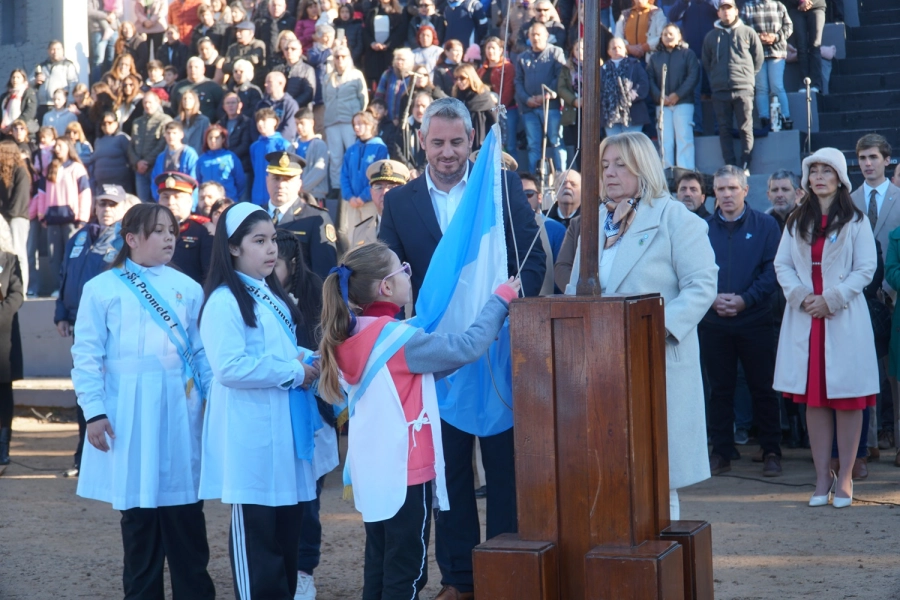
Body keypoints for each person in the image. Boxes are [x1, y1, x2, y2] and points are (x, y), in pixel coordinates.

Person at [379, 97, 546, 600]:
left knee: (503, 470)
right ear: (422, 143)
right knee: (446, 475)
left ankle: (504, 571)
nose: (447, 153)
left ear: (472, 139)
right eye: (437, 143)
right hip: (437, 361)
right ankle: (459, 579)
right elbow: (389, 273)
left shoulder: (499, 185)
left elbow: (531, 259)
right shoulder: (401, 202)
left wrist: (513, 313)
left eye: (456, 142)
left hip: (499, 353)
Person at [315, 241, 519, 600]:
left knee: (379, 564)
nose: (410, 275)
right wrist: (500, 300)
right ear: (387, 287)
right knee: (408, 572)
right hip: (407, 472)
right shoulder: (397, 338)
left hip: (373, 471)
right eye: (403, 270)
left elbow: (417, 372)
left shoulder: (352, 334)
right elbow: (467, 346)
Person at [558, 131, 717, 520]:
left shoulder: (676, 217)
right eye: (605, 165)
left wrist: (655, 328)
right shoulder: (594, 222)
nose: (609, 173)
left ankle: (660, 562)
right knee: (606, 469)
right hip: (598, 364)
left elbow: (702, 285)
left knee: (659, 474)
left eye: (620, 165)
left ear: (643, 167)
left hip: (654, 360)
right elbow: (576, 286)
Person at [71, 202, 216, 599]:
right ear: (131, 239)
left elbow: (202, 353)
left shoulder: (188, 288)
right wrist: (94, 412)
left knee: (186, 520)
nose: (169, 237)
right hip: (129, 413)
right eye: (158, 231)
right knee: (139, 528)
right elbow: (87, 355)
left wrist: (213, 404)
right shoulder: (101, 288)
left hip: (180, 411)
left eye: (172, 229)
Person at [197, 202, 320, 600]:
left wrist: (303, 360)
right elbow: (229, 367)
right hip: (249, 440)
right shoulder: (224, 301)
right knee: (258, 547)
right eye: (259, 241)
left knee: (285, 541)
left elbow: (278, 350)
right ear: (233, 247)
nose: (271, 250)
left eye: (273, 240)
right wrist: (293, 371)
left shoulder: (268, 293)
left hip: (281, 435)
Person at [774, 147, 878, 508]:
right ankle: (822, 478)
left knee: (847, 400)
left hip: (842, 317)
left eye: (826, 171)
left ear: (839, 178)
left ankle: (846, 476)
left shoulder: (857, 221)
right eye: (813, 170)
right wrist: (803, 297)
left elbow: (866, 269)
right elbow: (782, 265)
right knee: (814, 401)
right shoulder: (794, 221)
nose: (818, 176)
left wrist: (831, 298)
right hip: (806, 318)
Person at [702, 165, 784, 477]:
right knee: (719, 388)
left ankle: (771, 449)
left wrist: (744, 299)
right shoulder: (702, 229)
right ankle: (722, 451)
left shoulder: (766, 226)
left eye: (732, 188)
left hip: (755, 319)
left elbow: (772, 271)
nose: (726, 194)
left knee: (762, 387)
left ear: (745, 191)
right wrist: (712, 299)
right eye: (720, 189)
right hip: (714, 321)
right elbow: (693, 270)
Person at [55, 184, 135, 478]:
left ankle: (109, 452)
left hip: (113, 325)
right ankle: (82, 454)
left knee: (106, 389)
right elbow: (65, 275)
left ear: (124, 207)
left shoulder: (127, 240)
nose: (106, 209)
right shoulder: (79, 236)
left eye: (113, 204)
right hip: (81, 323)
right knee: (85, 388)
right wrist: (61, 313)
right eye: (102, 203)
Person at [702, 0, 763, 174]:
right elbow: (707, 63)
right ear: (718, 13)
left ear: (736, 11)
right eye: (722, 9)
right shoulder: (711, 37)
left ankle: (745, 165)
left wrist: (747, 76)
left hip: (743, 88)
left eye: (729, 8)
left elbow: (757, 59)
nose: (726, 12)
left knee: (746, 128)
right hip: (720, 90)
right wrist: (716, 79)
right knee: (724, 129)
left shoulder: (748, 32)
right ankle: (730, 166)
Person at [31, 138, 93, 296]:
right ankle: (60, 287)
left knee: (73, 254)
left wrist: (82, 217)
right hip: (52, 219)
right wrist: (41, 214)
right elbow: (42, 193)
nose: (56, 149)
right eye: (55, 146)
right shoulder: (49, 169)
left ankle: (73, 288)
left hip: (72, 220)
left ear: (68, 148)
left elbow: (84, 193)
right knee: (54, 256)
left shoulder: (77, 168)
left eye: (60, 146)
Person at [265, 150, 337, 279]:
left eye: (287, 180)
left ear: (299, 184)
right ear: (267, 181)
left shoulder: (316, 218)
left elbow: (325, 274)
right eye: (276, 178)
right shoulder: (255, 215)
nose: (281, 185)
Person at [515, 23, 566, 174]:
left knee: (556, 141)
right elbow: (518, 81)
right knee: (533, 145)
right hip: (529, 108)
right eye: (532, 35)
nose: (535, 37)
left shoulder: (556, 52)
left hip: (551, 106)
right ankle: (535, 180)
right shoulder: (522, 57)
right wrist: (526, 99)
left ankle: (562, 176)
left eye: (538, 34)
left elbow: (561, 76)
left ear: (546, 36)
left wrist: (546, 95)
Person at [647, 24, 699, 170]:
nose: (668, 37)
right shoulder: (655, 57)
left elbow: (693, 76)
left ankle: (686, 171)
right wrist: (660, 97)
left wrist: (678, 95)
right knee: (665, 140)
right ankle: (666, 173)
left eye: (671, 34)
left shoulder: (688, 54)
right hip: (662, 105)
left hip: (683, 103)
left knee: (684, 138)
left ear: (679, 36)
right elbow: (649, 79)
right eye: (665, 34)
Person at [339, 110, 389, 250]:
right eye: (354, 124)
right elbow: (344, 175)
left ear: (371, 125)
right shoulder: (351, 150)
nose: (356, 127)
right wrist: (350, 197)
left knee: (370, 238)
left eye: (360, 123)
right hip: (352, 203)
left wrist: (363, 197)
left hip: (370, 202)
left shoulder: (380, 148)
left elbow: (380, 177)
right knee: (353, 238)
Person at [741, 0, 794, 130]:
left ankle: (786, 117)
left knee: (776, 86)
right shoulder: (748, 7)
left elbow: (788, 27)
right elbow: (741, 29)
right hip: (756, 54)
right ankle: (764, 119)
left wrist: (775, 37)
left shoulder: (779, 5)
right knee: (761, 88)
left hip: (776, 52)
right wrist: (757, 38)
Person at [850, 134, 900, 266]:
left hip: (894, 283)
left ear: (887, 160)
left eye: (873, 157)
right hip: (859, 283)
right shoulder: (849, 202)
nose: (867, 163)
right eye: (862, 158)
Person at [155, 172, 213, 284]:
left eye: (177, 197)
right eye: (165, 197)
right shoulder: (150, 230)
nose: (171, 203)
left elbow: (209, 273)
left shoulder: (203, 230)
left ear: (190, 201)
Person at [0, 217, 22, 467]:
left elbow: (17, 294)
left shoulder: (9, 260)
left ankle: (3, 446)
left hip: (2, 338)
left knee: (3, 393)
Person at [519, 171, 562, 295]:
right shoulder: (505, 228)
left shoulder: (555, 229)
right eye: (518, 194)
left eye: (528, 194)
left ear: (539, 197)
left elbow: (561, 274)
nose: (523, 199)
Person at [350, 159, 410, 248]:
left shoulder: (416, 227)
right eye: (378, 186)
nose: (384, 192)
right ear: (371, 192)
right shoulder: (360, 231)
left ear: (405, 191)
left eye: (392, 186)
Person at [128, 91, 173, 201]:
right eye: (145, 103)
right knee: (143, 202)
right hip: (139, 169)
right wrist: (137, 162)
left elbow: (162, 144)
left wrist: (147, 161)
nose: (147, 105)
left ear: (158, 102)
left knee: (158, 199)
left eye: (150, 102)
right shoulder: (137, 122)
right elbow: (131, 145)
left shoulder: (165, 120)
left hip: (155, 167)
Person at [601, 37, 651, 137]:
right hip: (610, 116)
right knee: (615, 148)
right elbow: (598, 90)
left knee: (632, 147)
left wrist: (629, 97)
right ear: (608, 52)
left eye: (620, 47)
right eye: (613, 48)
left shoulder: (635, 65)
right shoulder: (602, 69)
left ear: (625, 50)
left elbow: (643, 84)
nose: (617, 50)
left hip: (633, 113)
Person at [0, 142, 31, 295]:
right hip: (5, 218)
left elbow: (21, 198)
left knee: (19, 253)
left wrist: (8, 216)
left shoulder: (20, 171)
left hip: (17, 218)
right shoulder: (4, 174)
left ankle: (21, 290)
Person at [479, 36, 517, 156]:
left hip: (506, 110)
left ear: (501, 50)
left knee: (508, 145)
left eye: (493, 48)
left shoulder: (507, 67)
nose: (490, 51)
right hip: (487, 111)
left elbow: (509, 89)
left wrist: (499, 106)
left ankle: (511, 173)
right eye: (488, 48)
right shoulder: (481, 70)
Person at [250, 107, 293, 204]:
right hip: (257, 195)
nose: (260, 123)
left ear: (274, 122)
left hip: (277, 194)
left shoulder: (284, 145)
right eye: (258, 121)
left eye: (264, 120)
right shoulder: (254, 146)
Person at [362, 0, 409, 89]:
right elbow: (366, 31)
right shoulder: (372, 11)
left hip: (390, 54)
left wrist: (388, 44)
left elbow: (401, 31)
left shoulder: (400, 11)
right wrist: (372, 43)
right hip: (373, 55)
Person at [32, 41, 80, 125]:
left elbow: (73, 85)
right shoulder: (41, 66)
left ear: (62, 50)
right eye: (52, 49)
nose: (55, 52)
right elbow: (28, 82)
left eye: (58, 49)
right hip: (43, 105)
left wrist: (69, 103)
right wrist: (35, 80)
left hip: (60, 106)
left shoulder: (68, 65)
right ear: (48, 51)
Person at [150, 121, 199, 202]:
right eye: (168, 133)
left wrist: (192, 203)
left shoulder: (190, 154)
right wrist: (159, 199)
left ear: (181, 135)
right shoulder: (161, 157)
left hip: (183, 199)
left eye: (174, 133)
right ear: (164, 135)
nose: (171, 136)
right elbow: (155, 180)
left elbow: (194, 180)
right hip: (165, 200)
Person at [451, 64, 496, 152]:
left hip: (480, 137)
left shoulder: (483, 96)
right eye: (456, 78)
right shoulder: (457, 96)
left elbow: (494, 120)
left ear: (471, 78)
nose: (459, 81)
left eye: (462, 78)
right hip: (462, 138)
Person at [86, 112, 133, 194]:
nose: (106, 125)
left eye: (110, 123)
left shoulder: (122, 138)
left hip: (120, 184)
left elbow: (131, 158)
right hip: (101, 185)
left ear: (116, 124)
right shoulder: (98, 141)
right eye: (103, 123)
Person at [198, 124, 247, 201]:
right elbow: (199, 181)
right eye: (210, 138)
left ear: (223, 139)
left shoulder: (230, 157)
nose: (213, 141)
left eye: (217, 138)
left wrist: (232, 196)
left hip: (228, 200)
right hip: (208, 202)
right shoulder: (201, 159)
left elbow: (240, 181)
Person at [785, 0, 824, 93]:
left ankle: (816, 84)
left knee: (815, 45)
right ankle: (804, 83)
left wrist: (809, 2)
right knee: (801, 47)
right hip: (796, 8)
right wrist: (801, 2)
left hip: (816, 6)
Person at [170, 57, 225, 123]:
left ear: (203, 70)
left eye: (196, 67)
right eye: (190, 67)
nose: (193, 70)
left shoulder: (213, 87)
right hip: (184, 125)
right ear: (187, 69)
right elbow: (174, 108)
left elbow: (220, 108)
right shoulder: (178, 87)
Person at [295, 108, 329, 202]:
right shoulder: (292, 146)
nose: (299, 127)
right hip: (295, 197)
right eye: (297, 124)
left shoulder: (320, 145)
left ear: (312, 123)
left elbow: (319, 170)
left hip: (314, 196)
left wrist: (301, 187)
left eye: (302, 123)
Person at [257, 70, 301, 142]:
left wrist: (276, 143)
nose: (265, 84)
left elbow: (290, 128)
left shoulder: (290, 104)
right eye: (266, 82)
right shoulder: (261, 104)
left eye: (269, 82)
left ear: (280, 83)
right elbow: (253, 126)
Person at [223, 21, 268, 87]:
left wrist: (236, 59)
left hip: (255, 82)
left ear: (251, 33)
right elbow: (225, 67)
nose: (238, 34)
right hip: (235, 83)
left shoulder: (258, 44)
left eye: (241, 31)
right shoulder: (233, 47)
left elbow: (255, 60)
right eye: (237, 31)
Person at [0, 70, 38, 139]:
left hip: (22, 131)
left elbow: (30, 111)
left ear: (24, 79)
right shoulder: (5, 96)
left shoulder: (28, 92)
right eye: (13, 77)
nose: (15, 79)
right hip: (5, 132)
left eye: (18, 77)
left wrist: (14, 126)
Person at [333, 3, 364, 67]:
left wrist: (350, 57)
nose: (345, 14)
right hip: (339, 59)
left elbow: (360, 45)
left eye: (347, 12)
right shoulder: (336, 26)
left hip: (354, 60)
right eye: (342, 12)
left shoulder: (357, 25)